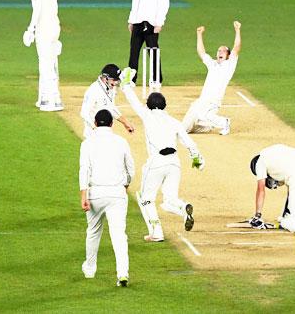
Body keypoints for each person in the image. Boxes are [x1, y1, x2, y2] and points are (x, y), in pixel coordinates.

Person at [120, 72, 204, 242]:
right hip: (174, 163)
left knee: (145, 199)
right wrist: (197, 160)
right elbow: (189, 143)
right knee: (170, 199)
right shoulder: (174, 122)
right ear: (164, 106)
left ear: (149, 106)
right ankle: (183, 207)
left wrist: (126, 84)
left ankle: (156, 232)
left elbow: (133, 101)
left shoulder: (147, 115)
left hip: (157, 163)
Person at [79, 109, 135, 287]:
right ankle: (122, 274)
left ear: (95, 124)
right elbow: (131, 169)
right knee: (119, 235)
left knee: (93, 231)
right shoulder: (121, 142)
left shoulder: (87, 143)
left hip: (95, 193)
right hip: (117, 193)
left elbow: (84, 170)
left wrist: (83, 194)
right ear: (112, 124)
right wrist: (125, 186)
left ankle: (89, 269)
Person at [182, 21, 242, 135]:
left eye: (223, 50)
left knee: (200, 115)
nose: (220, 52)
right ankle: (203, 127)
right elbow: (201, 52)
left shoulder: (229, 65)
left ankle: (225, 122)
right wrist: (199, 35)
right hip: (203, 100)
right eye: (219, 50)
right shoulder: (212, 64)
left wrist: (237, 30)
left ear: (228, 55)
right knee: (196, 121)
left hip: (213, 101)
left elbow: (237, 47)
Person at [22, 0, 63, 112]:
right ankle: (52, 99)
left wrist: (30, 29)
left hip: (44, 30)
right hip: (55, 29)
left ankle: (49, 100)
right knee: (52, 62)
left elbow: (37, 10)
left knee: (45, 63)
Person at [127, 0, 169, 86]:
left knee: (153, 50)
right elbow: (135, 2)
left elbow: (164, 4)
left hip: (151, 23)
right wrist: (131, 21)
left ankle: (156, 79)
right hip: (138, 22)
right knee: (134, 51)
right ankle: (130, 80)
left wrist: (159, 23)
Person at [80, 64, 135, 138]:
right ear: (105, 78)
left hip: (105, 132)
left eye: (117, 80)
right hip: (92, 135)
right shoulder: (93, 90)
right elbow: (84, 113)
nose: (116, 83)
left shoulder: (110, 88)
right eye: (114, 80)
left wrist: (125, 122)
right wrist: (95, 129)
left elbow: (111, 107)